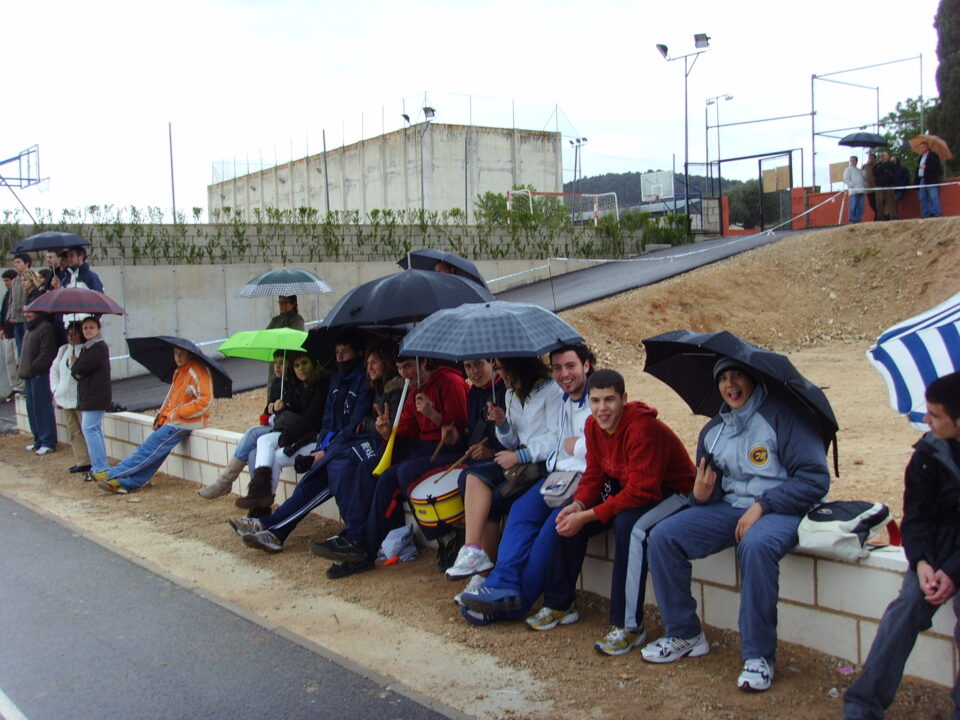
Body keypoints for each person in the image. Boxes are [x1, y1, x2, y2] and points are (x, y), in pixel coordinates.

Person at [640, 358, 830, 693]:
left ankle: (759, 657)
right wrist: (699, 495)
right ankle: (685, 633)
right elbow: (708, 496)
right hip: (732, 509)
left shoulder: (784, 417)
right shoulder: (714, 431)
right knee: (664, 536)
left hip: (782, 509)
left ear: (753, 379)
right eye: (723, 379)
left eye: (737, 376)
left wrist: (764, 505)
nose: (730, 385)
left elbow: (814, 481)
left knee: (755, 546)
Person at [527, 370, 696, 649]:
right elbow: (595, 472)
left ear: (624, 399)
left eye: (609, 400)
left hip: (673, 491)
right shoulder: (593, 426)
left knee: (629, 527)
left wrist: (589, 515)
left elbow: (642, 491)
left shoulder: (642, 429)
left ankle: (628, 625)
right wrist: (580, 505)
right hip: (632, 486)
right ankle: (560, 603)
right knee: (568, 516)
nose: (602, 408)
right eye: (595, 401)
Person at [843, 372, 960, 719]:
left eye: (935, 415)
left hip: (953, 561)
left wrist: (952, 571)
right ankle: (863, 705)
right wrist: (922, 563)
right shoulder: (927, 454)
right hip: (934, 555)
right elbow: (916, 518)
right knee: (906, 607)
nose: (927, 421)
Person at [458, 345, 592, 619]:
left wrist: (572, 445)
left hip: (580, 479)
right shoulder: (561, 399)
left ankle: (515, 603)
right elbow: (547, 440)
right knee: (520, 513)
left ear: (586, 366)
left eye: (570, 367)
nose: (563, 375)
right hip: (558, 474)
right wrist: (503, 424)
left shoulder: (582, 396)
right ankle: (497, 586)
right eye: (557, 368)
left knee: (550, 532)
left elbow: (585, 444)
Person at [233, 343, 401, 556]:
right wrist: (324, 448)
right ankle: (271, 527)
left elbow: (370, 425)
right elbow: (333, 420)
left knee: (331, 473)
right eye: (368, 363)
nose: (370, 367)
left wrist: (357, 431)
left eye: (374, 362)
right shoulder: (365, 384)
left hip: (367, 449)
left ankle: (273, 527)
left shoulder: (386, 388)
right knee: (313, 478)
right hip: (343, 444)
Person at [315, 355, 469, 577]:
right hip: (421, 448)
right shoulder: (415, 392)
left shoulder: (450, 383)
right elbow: (406, 432)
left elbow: (461, 430)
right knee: (368, 467)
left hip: (448, 451)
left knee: (390, 479)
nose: (404, 374)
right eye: (399, 368)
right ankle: (356, 537)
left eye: (408, 366)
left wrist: (434, 414)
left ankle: (365, 551)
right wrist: (387, 431)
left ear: (423, 362)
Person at [446, 353, 565, 581]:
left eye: (501, 369)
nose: (500, 375)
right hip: (520, 462)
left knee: (493, 500)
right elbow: (511, 440)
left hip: (541, 464)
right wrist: (502, 424)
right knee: (473, 475)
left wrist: (519, 455)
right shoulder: (511, 394)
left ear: (518, 367)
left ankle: (484, 575)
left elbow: (555, 440)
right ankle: (472, 552)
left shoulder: (551, 391)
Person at [96, 345, 213, 493]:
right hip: (175, 420)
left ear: (190, 354)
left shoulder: (197, 371)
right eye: (175, 353)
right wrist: (163, 418)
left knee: (148, 449)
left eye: (181, 354)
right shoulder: (179, 372)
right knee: (155, 452)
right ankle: (127, 483)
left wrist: (176, 414)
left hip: (184, 422)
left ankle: (114, 474)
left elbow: (205, 401)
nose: (177, 357)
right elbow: (171, 400)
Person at [234, 351, 329, 510]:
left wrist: (287, 437)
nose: (301, 368)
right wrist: (280, 407)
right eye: (296, 365)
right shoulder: (301, 385)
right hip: (297, 434)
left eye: (304, 363)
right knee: (262, 440)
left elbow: (311, 419)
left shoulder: (321, 385)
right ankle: (259, 494)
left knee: (274, 455)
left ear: (313, 363)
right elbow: (296, 411)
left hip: (314, 438)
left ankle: (259, 510)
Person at [198, 350, 292, 499]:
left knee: (252, 433)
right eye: (275, 363)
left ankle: (225, 482)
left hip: (287, 430)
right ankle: (257, 497)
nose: (277, 367)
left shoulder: (295, 383)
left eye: (282, 363)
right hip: (274, 426)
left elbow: (298, 411)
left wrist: (285, 405)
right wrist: (271, 407)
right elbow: (268, 410)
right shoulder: (277, 383)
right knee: (252, 452)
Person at [71, 316, 112, 485]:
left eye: (91, 327)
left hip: (95, 396)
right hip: (91, 395)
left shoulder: (98, 347)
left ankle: (100, 468)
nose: (88, 330)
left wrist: (75, 366)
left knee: (90, 428)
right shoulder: (89, 348)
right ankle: (99, 467)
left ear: (98, 329)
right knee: (93, 429)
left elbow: (80, 369)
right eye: (85, 328)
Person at [49, 321, 91, 473]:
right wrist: (56, 389)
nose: (71, 336)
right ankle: (82, 460)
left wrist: (76, 364)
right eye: (69, 333)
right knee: (73, 431)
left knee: (86, 429)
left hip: (79, 398)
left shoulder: (86, 351)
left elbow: (82, 373)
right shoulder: (63, 350)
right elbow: (54, 371)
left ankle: (92, 459)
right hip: (64, 398)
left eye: (75, 333)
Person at [18, 308, 58, 455]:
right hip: (29, 376)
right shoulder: (29, 329)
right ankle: (38, 440)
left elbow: (46, 354)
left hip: (39, 375)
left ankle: (48, 441)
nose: (27, 314)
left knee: (42, 409)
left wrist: (33, 367)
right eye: (25, 312)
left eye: (30, 311)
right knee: (32, 409)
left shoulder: (45, 328)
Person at [0, 269, 21, 398]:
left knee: (18, 360)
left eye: (7, 281)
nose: (6, 283)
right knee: (10, 361)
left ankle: (20, 386)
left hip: (16, 333)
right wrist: (2, 328)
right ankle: (14, 386)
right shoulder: (7, 295)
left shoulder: (18, 293)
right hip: (7, 334)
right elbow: (3, 313)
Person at [6, 253, 31, 354]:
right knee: (20, 349)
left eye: (18, 262)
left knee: (28, 348)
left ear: (27, 263)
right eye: (15, 262)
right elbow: (11, 300)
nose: (16, 264)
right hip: (16, 319)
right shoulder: (15, 280)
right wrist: (9, 315)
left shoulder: (32, 277)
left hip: (27, 319)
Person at [916, 140, 943, 219]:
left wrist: (926, 167)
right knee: (922, 197)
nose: (921, 149)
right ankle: (925, 214)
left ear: (927, 147)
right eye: (920, 147)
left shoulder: (933, 155)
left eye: (922, 147)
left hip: (930, 179)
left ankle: (936, 213)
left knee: (933, 196)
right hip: (921, 179)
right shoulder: (921, 157)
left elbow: (935, 167)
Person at [873, 151, 898, 221]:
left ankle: (893, 217)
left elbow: (894, 171)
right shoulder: (877, 165)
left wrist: (885, 168)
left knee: (891, 202)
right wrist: (884, 168)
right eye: (882, 155)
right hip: (879, 187)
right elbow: (876, 172)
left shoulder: (891, 164)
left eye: (885, 155)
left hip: (889, 186)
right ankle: (880, 218)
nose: (883, 156)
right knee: (879, 204)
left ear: (888, 156)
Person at [843, 156, 866, 224]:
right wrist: (852, 185)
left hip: (861, 190)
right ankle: (852, 220)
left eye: (853, 160)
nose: (852, 162)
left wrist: (863, 171)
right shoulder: (847, 170)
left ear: (856, 161)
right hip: (854, 191)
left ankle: (858, 220)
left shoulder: (859, 170)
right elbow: (845, 179)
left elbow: (864, 178)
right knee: (853, 206)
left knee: (860, 206)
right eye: (851, 160)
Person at [862, 153, 878, 221]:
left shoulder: (877, 165)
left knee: (878, 205)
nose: (870, 159)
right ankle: (879, 216)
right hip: (869, 189)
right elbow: (862, 176)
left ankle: (878, 218)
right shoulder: (864, 166)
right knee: (872, 204)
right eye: (869, 158)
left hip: (877, 189)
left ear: (875, 159)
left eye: (872, 158)